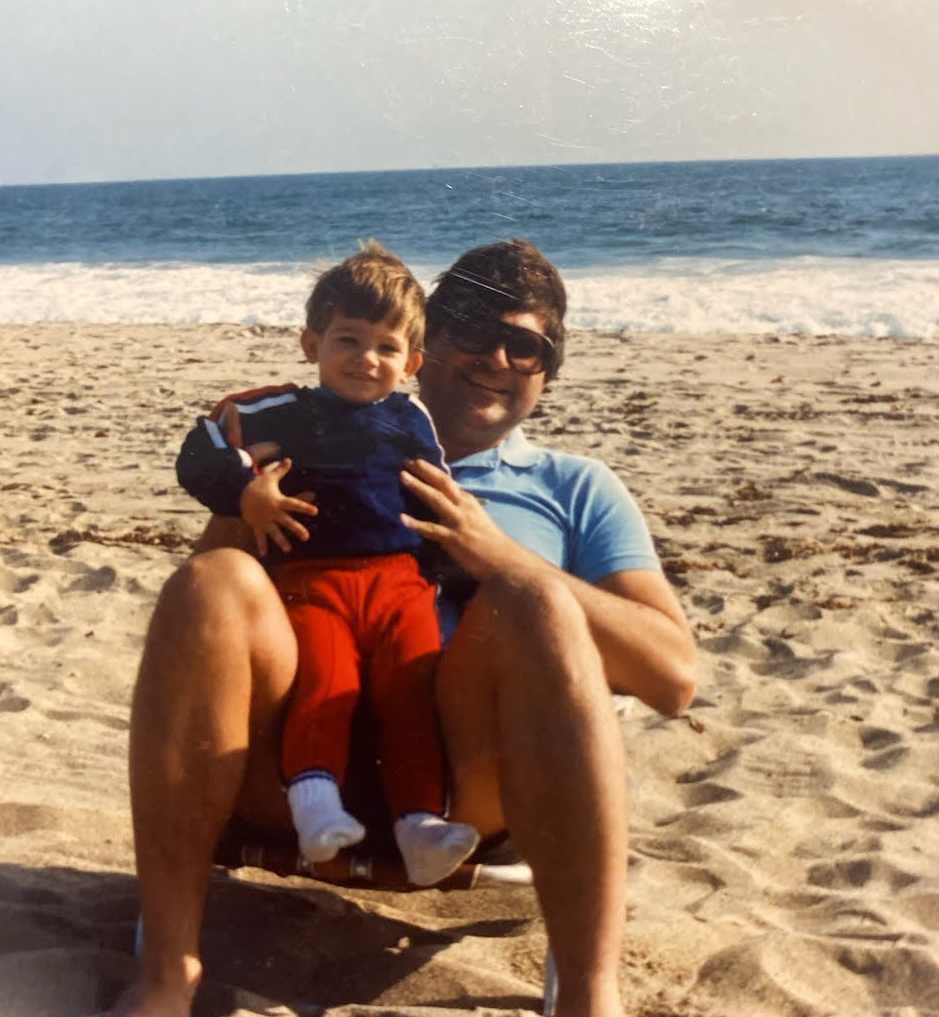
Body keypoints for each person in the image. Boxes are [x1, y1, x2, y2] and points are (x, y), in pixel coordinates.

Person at [111, 238, 698, 1017]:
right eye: (470, 328)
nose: (494, 355)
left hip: (465, 790)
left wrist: (501, 560)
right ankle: (167, 976)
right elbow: (203, 621)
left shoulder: (574, 488)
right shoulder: (302, 440)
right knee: (208, 578)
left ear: (546, 371)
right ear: (426, 345)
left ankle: (588, 1000)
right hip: (285, 766)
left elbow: (672, 676)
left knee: (536, 603)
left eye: (523, 344)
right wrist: (246, 495)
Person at [174, 243, 479, 887]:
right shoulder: (279, 409)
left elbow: (434, 498)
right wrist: (245, 493)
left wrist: (455, 574)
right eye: (348, 339)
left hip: (402, 586)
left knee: (411, 695)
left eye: (386, 347)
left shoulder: (412, 416)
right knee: (326, 682)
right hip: (311, 581)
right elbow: (199, 449)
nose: (366, 359)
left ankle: (419, 824)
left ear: (411, 362)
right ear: (311, 343)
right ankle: (315, 809)